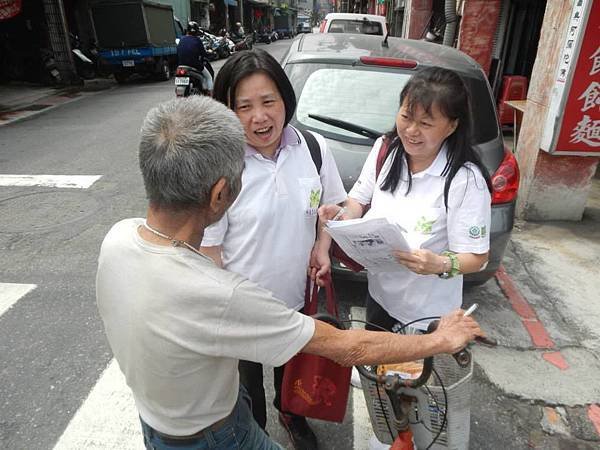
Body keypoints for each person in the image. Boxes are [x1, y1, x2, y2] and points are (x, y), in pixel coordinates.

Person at [96, 95, 484, 450]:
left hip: (159, 422)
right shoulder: (219, 294)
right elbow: (349, 347)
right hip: (216, 436)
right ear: (219, 195)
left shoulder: (118, 238)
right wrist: (441, 341)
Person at [199, 48, 346, 449]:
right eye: (243, 106)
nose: (259, 117)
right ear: (227, 111)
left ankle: (293, 415)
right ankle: (257, 431)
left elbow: (331, 208)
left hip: (295, 300)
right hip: (241, 309)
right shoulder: (222, 165)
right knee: (247, 392)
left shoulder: (313, 148)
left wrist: (322, 246)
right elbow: (210, 250)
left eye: (268, 102)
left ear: (285, 100)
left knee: (292, 372)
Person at [320, 66, 492, 334]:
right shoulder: (386, 150)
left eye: (425, 124)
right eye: (406, 117)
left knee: (406, 375)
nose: (411, 130)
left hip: (425, 315)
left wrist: (440, 264)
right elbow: (357, 201)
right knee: (375, 369)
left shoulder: (464, 180)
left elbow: (478, 257)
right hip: (379, 296)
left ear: (452, 126)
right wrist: (340, 216)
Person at [177, 21, 213, 93]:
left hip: (181, 65)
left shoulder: (181, 39)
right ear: (196, 31)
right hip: (194, 64)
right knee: (209, 77)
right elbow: (203, 54)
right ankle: (210, 96)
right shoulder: (197, 40)